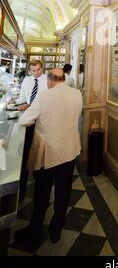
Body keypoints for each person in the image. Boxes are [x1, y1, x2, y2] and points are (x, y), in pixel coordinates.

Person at [15, 68, 83, 245]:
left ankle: (35, 229)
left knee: (42, 192)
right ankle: (56, 229)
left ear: (50, 80)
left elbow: (24, 120)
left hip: (48, 152)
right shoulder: (77, 94)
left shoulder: (44, 96)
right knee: (63, 191)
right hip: (69, 151)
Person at [18, 60, 48, 202]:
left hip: (42, 118)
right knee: (26, 148)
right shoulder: (27, 81)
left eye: (38, 70)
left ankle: (38, 173)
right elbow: (24, 96)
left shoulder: (48, 81)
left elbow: (48, 101)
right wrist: (22, 103)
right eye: (33, 71)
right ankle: (22, 187)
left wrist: (32, 106)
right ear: (29, 70)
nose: (36, 73)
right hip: (28, 116)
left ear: (42, 68)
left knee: (39, 147)